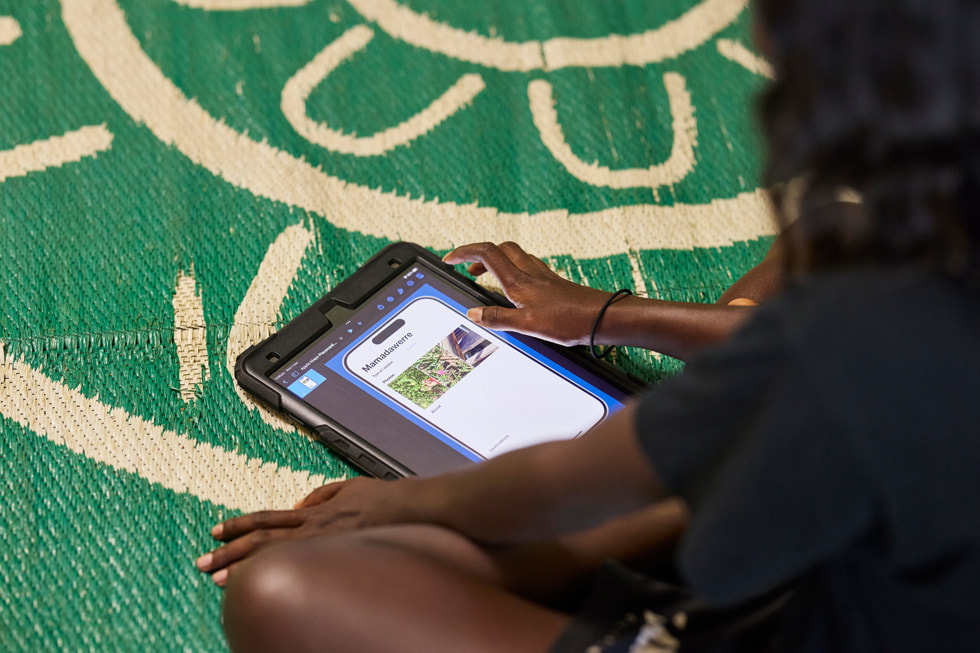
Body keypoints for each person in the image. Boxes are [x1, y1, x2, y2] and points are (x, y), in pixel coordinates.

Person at [195, 0, 980, 649]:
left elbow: (555, 488)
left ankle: (662, 524)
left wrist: (395, 503)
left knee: (282, 590)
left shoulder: (866, 324)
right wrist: (613, 317)